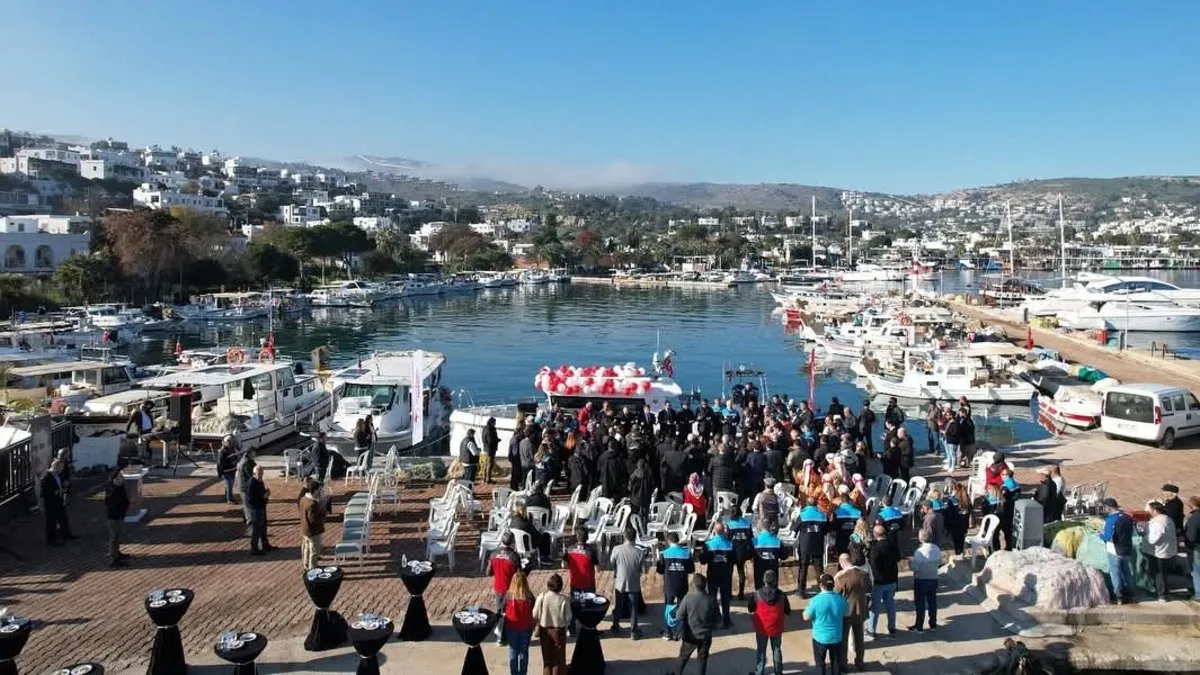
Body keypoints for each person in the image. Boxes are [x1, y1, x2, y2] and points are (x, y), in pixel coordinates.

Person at [804, 573, 849, 675]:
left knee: (820, 664)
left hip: (819, 638)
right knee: (836, 663)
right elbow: (846, 613)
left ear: (821, 585)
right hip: (836, 637)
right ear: (833, 585)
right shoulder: (841, 599)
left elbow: (806, 617)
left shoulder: (815, 600)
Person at [748, 568, 790, 675]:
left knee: (761, 649)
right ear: (775, 580)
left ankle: (759, 672)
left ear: (764, 580)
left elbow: (750, 609)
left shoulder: (757, 594)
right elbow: (787, 611)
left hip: (762, 627)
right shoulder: (782, 595)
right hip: (776, 627)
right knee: (776, 649)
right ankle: (778, 672)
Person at [674, 573, 716, 675]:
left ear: (693, 584)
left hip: (690, 635)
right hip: (705, 636)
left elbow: (678, 616)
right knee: (702, 660)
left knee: (683, 658)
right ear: (705, 585)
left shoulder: (688, 598)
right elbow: (718, 619)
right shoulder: (711, 600)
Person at [834, 552, 869, 672]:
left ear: (842, 563)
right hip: (860, 610)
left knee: (843, 640)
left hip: (846, 613)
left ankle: (843, 665)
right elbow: (868, 590)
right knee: (859, 639)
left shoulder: (842, 578)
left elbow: (836, 595)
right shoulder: (864, 574)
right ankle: (860, 662)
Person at [658, 532, 695, 640]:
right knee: (682, 608)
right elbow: (691, 569)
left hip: (669, 585)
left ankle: (668, 632)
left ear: (668, 541)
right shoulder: (686, 553)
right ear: (678, 541)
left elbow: (660, 570)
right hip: (682, 585)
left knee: (668, 607)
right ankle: (681, 633)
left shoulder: (664, 554)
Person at [609, 527, 646, 638]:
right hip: (634, 583)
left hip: (620, 583)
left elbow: (612, 562)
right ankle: (634, 631)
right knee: (634, 607)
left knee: (618, 606)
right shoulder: (640, 552)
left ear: (624, 537)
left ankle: (615, 625)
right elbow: (643, 570)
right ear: (635, 537)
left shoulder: (616, 549)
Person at [563, 526, 599, 635]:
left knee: (574, 606)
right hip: (588, 583)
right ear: (587, 537)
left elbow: (564, 565)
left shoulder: (569, 549)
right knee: (589, 606)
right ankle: (589, 628)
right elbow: (597, 568)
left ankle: (572, 628)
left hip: (575, 582)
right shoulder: (591, 550)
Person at [1099, 498, 1135, 604]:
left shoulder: (1111, 519)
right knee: (1127, 573)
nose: (1103, 509)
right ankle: (1131, 595)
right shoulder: (1127, 517)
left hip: (1114, 550)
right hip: (1127, 549)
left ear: (1108, 508)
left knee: (1115, 573)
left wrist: (1100, 534)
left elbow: (1107, 537)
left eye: (1104, 507)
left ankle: (1118, 596)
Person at [533, 573, 571, 675]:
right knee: (558, 660)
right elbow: (568, 617)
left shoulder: (542, 596)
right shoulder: (564, 599)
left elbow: (535, 614)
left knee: (547, 660)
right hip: (559, 631)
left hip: (544, 631)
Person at [867, 524, 899, 639]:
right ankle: (892, 628)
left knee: (875, 607)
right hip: (892, 580)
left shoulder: (875, 549)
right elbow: (898, 558)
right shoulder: (892, 545)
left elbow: (873, 565)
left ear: (875, 535)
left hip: (879, 582)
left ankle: (871, 630)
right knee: (890, 605)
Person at [700, 522, 734, 628]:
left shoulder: (708, 544)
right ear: (724, 531)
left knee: (712, 598)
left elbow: (703, 561)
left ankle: (713, 621)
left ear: (714, 531)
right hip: (725, 575)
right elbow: (733, 560)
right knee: (725, 598)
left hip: (712, 574)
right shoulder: (730, 544)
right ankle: (726, 621)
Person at [489, 532, 521, 645]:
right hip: (510, 589)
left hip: (498, 587)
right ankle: (503, 637)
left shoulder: (493, 554)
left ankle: (500, 635)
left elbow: (488, 572)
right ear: (512, 542)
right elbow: (519, 574)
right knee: (508, 613)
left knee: (500, 611)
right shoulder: (514, 556)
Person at [794, 497, 829, 598]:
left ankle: (801, 591)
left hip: (804, 546)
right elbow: (827, 530)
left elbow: (795, 529)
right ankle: (823, 590)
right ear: (816, 504)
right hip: (818, 545)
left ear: (807, 504)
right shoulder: (822, 515)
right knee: (819, 569)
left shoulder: (802, 515)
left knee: (803, 568)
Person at [1145, 500, 1179, 602]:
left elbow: (1153, 539)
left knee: (1158, 573)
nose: (1149, 512)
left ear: (1155, 510)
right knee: (1163, 573)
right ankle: (1163, 592)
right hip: (1167, 550)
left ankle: (1162, 594)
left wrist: (1144, 536)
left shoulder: (1157, 522)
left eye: (1150, 510)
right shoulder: (1168, 519)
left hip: (1159, 552)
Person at [504, 571, 536, 675]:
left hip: (511, 627)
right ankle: (523, 673)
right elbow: (533, 608)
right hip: (526, 627)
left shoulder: (508, 596)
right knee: (524, 652)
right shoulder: (529, 596)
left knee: (513, 651)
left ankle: (514, 673)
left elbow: (502, 609)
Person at [910, 529, 941, 631]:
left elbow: (915, 567)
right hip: (933, 578)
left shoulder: (919, 552)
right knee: (932, 602)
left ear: (920, 538)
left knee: (920, 603)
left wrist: (910, 563)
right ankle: (933, 624)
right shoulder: (936, 548)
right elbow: (939, 562)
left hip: (921, 579)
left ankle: (919, 626)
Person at [42, 460, 75, 545]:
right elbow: (45, 491)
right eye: (60, 468)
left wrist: (65, 486)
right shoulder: (47, 477)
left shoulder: (58, 475)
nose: (61, 470)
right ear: (55, 467)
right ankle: (51, 541)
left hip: (59, 500)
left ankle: (66, 535)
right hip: (51, 503)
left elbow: (61, 484)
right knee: (51, 522)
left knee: (63, 519)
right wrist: (55, 492)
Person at [725, 506, 755, 599]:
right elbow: (751, 539)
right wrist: (751, 553)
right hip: (742, 552)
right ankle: (741, 594)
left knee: (729, 573)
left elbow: (727, 539)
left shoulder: (730, 524)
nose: (729, 515)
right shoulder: (747, 523)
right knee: (741, 571)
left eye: (731, 513)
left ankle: (729, 594)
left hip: (732, 552)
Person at [299, 477, 327, 570]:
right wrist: (323, 514)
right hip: (313, 531)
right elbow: (313, 520)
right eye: (319, 490)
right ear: (315, 491)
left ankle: (306, 566)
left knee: (306, 549)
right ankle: (313, 569)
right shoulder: (312, 503)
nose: (320, 492)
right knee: (314, 551)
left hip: (304, 528)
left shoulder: (303, 499)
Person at [103, 469, 130, 567]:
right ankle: (113, 558)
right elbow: (110, 503)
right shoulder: (111, 489)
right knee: (113, 537)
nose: (122, 478)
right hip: (113, 517)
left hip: (120, 515)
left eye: (122, 476)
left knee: (118, 535)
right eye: (120, 477)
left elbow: (125, 499)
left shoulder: (120, 487)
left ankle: (117, 553)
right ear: (115, 479)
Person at [247, 464, 274, 555]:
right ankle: (254, 548)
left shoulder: (259, 481)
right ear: (254, 473)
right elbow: (250, 499)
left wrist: (266, 494)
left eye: (262, 473)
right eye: (259, 473)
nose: (261, 475)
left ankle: (265, 545)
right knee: (257, 529)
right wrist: (263, 497)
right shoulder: (251, 483)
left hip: (262, 507)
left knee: (263, 527)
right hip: (256, 509)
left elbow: (261, 492)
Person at [752, 520, 786, 590]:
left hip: (759, 571)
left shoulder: (754, 541)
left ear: (760, 527)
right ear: (770, 527)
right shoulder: (777, 541)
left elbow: (749, 554)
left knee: (759, 589)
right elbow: (784, 556)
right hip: (773, 572)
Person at [237, 449, 257, 529]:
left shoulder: (245, 460)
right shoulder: (246, 463)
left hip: (243, 486)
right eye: (254, 453)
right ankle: (250, 520)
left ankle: (245, 518)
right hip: (245, 487)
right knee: (248, 504)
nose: (255, 454)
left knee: (246, 503)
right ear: (249, 454)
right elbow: (250, 476)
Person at [1185, 496, 1200, 600]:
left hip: (1196, 548)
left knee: (1196, 571)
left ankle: (1198, 594)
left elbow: (1191, 536)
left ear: (1192, 504)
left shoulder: (1194, 517)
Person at [483, 417, 501, 484]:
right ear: (491, 423)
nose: (495, 424)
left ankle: (485, 478)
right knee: (489, 464)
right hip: (490, 449)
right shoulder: (489, 430)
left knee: (486, 464)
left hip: (486, 448)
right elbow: (490, 441)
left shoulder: (485, 428)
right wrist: (497, 440)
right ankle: (488, 479)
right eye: (494, 423)